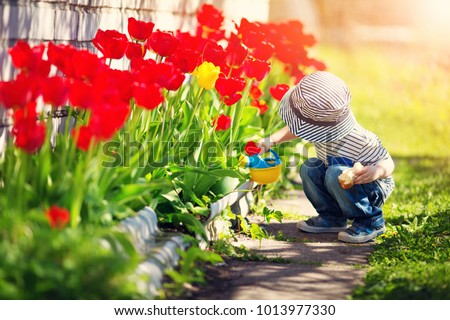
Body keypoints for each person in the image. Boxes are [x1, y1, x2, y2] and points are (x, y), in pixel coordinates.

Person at [259, 71, 395, 243]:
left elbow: (388, 162)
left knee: (334, 173)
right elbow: (296, 129)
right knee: (310, 167)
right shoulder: (322, 127)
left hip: (370, 187)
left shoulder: (359, 139)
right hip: (338, 182)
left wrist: (376, 171)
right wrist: (272, 140)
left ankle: (371, 221)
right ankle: (332, 217)